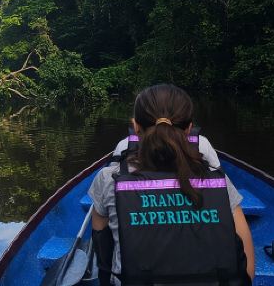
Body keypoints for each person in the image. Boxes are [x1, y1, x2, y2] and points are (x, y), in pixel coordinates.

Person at [88, 84, 255, 285]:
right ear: (189, 129)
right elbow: (246, 268)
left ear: (136, 126)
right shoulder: (217, 180)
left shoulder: (109, 178)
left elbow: (101, 242)